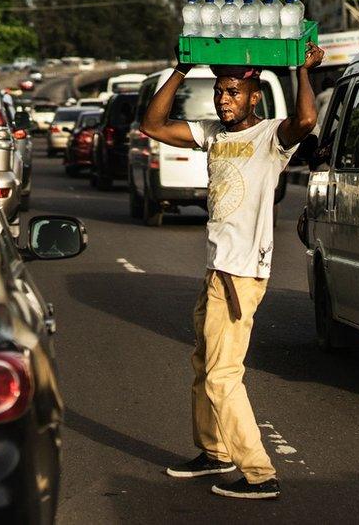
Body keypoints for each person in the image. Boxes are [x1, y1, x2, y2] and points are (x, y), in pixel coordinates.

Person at [140, 42, 324, 500]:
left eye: (233, 93)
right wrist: (181, 70)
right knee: (203, 363)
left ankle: (260, 473)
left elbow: (305, 122)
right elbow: (152, 126)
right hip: (215, 268)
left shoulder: (270, 138)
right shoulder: (213, 135)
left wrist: (302, 73)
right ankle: (214, 451)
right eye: (220, 92)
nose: (224, 100)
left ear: (253, 96)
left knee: (223, 374)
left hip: (241, 273)